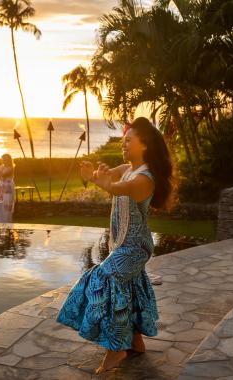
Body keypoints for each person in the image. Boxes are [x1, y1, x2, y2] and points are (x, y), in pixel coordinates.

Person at [56, 117, 174, 374]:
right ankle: (135, 341)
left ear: (145, 145)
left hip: (134, 248)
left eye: (128, 140)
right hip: (122, 244)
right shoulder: (129, 168)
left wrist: (106, 183)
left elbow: (120, 188)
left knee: (102, 279)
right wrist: (96, 176)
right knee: (129, 289)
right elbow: (112, 176)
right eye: (123, 140)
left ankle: (115, 348)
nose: (124, 144)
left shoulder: (144, 179)